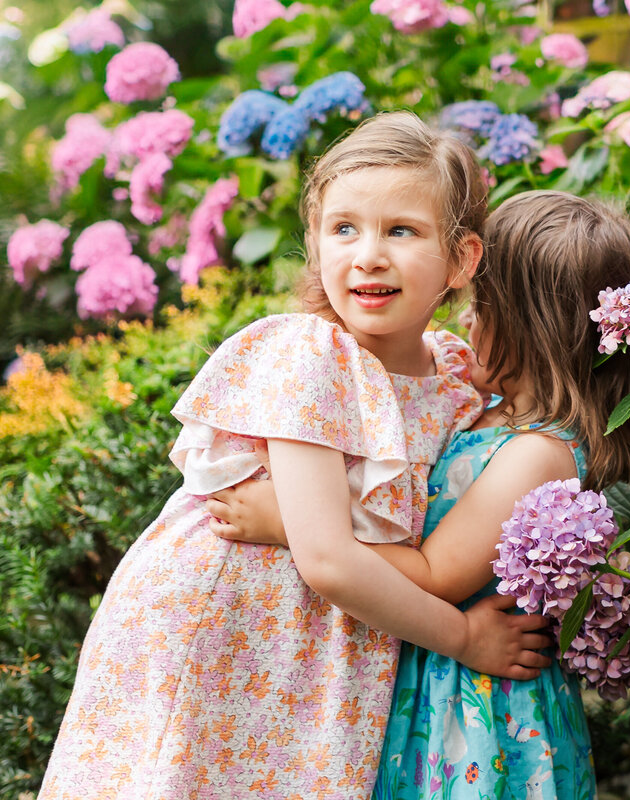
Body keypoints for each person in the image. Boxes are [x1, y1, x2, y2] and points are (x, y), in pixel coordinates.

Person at [38, 112, 554, 800]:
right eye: (343, 229)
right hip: (231, 625)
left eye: (401, 230)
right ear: (314, 243)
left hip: (331, 639)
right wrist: (462, 638)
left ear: (462, 259)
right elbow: (328, 559)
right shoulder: (312, 355)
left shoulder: (454, 376)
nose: (368, 254)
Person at [205, 190, 630, 800]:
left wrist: (294, 523)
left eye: (484, 306)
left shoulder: (539, 453)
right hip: (436, 669)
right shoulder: (492, 416)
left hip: (477, 710)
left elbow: (433, 572)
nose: (468, 320)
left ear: (536, 328)